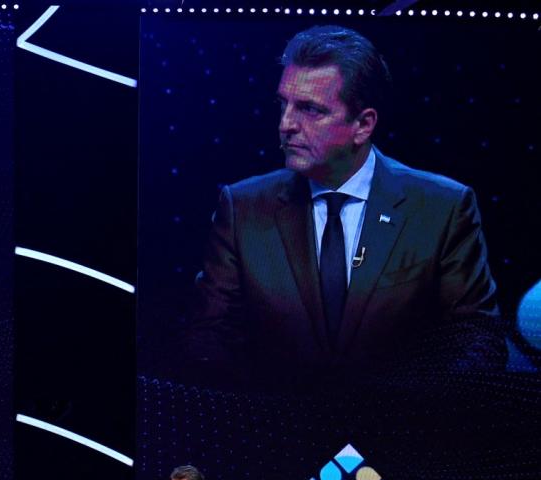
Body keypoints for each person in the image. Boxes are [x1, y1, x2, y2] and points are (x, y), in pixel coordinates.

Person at [187, 25, 501, 372]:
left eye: (309, 109)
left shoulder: (443, 209)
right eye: (284, 104)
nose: (286, 124)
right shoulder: (243, 207)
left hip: (403, 423)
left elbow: (478, 342)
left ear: (363, 125)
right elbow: (208, 338)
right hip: (274, 420)